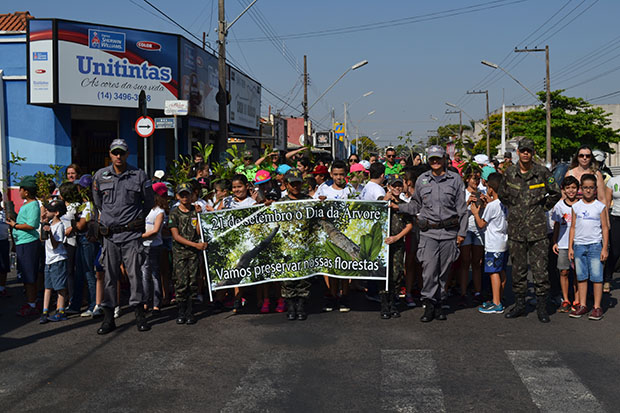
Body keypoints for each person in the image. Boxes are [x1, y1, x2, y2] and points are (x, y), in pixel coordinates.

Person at [398, 146, 467, 322]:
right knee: (428, 270)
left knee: (444, 271)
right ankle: (428, 304)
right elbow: (415, 205)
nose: (435, 162)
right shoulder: (422, 180)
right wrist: (397, 206)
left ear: (444, 158)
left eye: (438, 158)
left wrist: (462, 233)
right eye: (432, 159)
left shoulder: (455, 180)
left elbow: (462, 209)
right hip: (428, 233)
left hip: (449, 232)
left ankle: (440, 303)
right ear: (428, 161)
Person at [92, 138, 154, 335]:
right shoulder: (100, 176)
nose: (118, 156)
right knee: (109, 276)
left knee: (135, 275)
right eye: (115, 152)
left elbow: (148, 202)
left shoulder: (138, 175)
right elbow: (98, 203)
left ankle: (139, 314)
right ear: (110, 154)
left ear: (127, 154)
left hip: (131, 235)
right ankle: (109, 318)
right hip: (109, 236)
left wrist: (135, 220)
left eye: (122, 153)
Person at [499, 138, 561, 323]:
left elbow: (556, 192)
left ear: (532, 153)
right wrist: (516, 208)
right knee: (518, 270)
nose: (526, 153)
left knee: (540, 270)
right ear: (518, 152)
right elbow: (503, 195)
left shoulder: (542, 172)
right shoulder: (509, 173)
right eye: (523, 150)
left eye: (529, 150)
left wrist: (543, 207)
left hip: (538, 230)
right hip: (517, 230)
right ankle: (520, 305)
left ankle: (542, 308)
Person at [568, 174, 608, 320]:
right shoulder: (576, 206)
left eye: (591, 188)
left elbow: (604, 228)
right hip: (579, 245)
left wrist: (604, 248)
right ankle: (583, 305)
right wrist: (571, 247)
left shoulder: (600, 207)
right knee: (581, 277)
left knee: (597, 277)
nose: (588, 190)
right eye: (585, 188)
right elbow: (572, 227)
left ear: (595, 189)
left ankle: (597, 306)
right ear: (581, 189)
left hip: (595, 245)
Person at [169, 182, 208, 325]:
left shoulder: (194, 211)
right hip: (180, 252)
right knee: (181, 282)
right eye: (182, 194)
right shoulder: (174, 212)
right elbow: (176, 236)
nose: (185, 197)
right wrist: (195, 245)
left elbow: (199, 232)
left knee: (192, 281)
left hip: (193, 253)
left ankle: (190, 311)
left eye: (187, 194)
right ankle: (181, 311)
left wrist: (198, 216)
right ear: (177, 196)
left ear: (192, 195)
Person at [471, 173, 508, 314]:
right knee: (502, 271)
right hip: (503, 241)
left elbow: (481, 224)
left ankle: (496, 302)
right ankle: (499, 298)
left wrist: (475, 213)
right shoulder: (503, 203)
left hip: (493, 244)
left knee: (493, 273)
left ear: (491, 188)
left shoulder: (492, 206)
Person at [279, 168, 312, 321]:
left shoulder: (308, 201)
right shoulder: (280, 204)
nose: (296, 187)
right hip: (287, 247)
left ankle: (301, 305)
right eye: (293, 184)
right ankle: (290, 305)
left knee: (303, 278)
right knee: (288, 278)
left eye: (298, 183)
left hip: (304, 245)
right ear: (286, 185)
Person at [7, 176, 41, 317]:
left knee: (29, 275)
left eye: (21, 189)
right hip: (22, 242)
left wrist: (15, 225)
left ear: (26, 192)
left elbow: (31, 225)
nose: (19, 191)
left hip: (28, 243)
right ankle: (30, 301)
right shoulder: (27, 205)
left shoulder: (33, 205)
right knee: (25, 274)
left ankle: (32, 303)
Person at [381, 174, 413, 319]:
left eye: (399, 185)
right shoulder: (381, 202)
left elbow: (409, 225)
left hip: (397, 243)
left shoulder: (403, 205)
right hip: (382, 244)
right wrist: (384, 200)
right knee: (383, 273)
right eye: (394, 185)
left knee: (397, 272)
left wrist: (397, 238)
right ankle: (384, 304)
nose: (397, 188)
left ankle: (393, 302)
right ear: (389, 187)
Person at [551, 176, 580, 312]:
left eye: (573, 188)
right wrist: (555, 241)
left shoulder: (581, 204)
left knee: (578, 273)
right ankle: (565, 299)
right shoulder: (559, 206)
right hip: (563, 244)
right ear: (563, 189)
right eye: (568, 188)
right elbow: (556, 224)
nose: (571, 191)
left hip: (578, 243)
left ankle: (577, 299)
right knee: (564, 271)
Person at [459, 164, 485, 306]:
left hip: (479, 229)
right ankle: (463, 292)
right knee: (464, 262)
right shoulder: (463, 193)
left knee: (477, 262)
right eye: (473, 178)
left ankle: (477, 291)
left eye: (478, 179)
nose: (476, 182)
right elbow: (457, 212)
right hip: (466, 228)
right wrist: (467, 203)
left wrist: (486, 202)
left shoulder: (482, 192)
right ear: (467, 178)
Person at [39, 199, 69, 323]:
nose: (46, 212)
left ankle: (60, 310)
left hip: (58, 259)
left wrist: (50, 233)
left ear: (56, 213)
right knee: (48, 286)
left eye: (49, 210)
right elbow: (41, 239)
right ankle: (45, 310)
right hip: (49, 260)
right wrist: (43, 224)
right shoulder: (49, 223)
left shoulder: (60, 226)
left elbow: (56, 244)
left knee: (60, 287)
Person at [141, 182, 167, 313]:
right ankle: (146, 302)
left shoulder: (159, 212)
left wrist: (140, 236)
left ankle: (156, 303)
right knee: (145, 275)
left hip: (154, 246)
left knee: (154, 274)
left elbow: (156, 231)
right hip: (144, 245)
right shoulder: (146, 209)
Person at [0, 191, 9, 298]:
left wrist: (14, 244)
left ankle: (2, 287)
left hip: (4, 241)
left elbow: (11, 226)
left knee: (4, 265)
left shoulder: (5, 212)